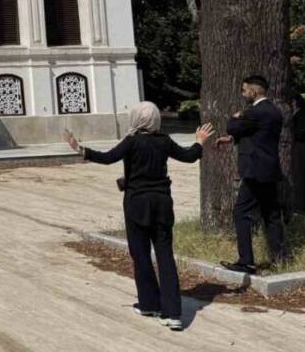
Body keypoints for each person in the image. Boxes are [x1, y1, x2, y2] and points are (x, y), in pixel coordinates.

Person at [67, 102, 215, 331]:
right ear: (156, 119)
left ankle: (149, 303)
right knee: (165, 256)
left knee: (140, 253)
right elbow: (187, 156)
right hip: (162, 204)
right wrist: (199, 141)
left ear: (136, 119)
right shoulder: (164, 141)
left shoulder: (132, 141)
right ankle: (172, 313)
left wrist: (80, 149)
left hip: (137, 204)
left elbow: (108, 158)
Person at [216, 74, 287, 274]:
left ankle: (246, 261)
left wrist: (235, 117)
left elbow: (234, 126)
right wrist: (232, 138)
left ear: (254, 91)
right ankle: (280, 258)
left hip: (255, 171)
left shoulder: (255, 112)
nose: (243, 93)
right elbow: (255, 135)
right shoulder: (273, 111)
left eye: (244, 89)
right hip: (270, 169)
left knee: (240, 212)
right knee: (271, 214)